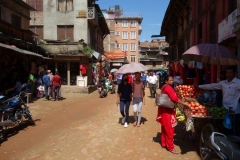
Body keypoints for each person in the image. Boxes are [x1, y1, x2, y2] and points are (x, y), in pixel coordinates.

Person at [197, 67, 240, 136]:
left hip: (235, 110)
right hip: (225, 109)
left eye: (231, 73)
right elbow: (212, 86)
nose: (229, 75)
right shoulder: (223, 83)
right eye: (227, 73)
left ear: (234, 74)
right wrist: (199, 86)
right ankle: (227, 143)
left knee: (237, 129)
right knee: (227, 128)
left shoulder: (238, 83)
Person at [156, 75, 188, 154]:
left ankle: (164, 143)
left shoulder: (164, 87)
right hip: (168, 111)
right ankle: (170, 147)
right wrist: (184, 103)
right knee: (170, 129)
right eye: (170, 80)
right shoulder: (168, 88)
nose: (172, 81)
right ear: (166, 81)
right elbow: (174, 98)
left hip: (163, 110)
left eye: (172, 80)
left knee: (164, 127)